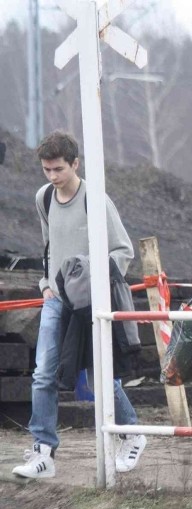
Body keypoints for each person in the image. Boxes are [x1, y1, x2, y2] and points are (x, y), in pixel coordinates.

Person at [12, 130, 146, 479]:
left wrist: (91, 278)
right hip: (57, 299)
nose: (53, 176)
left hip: (90, 302)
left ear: (75, 164)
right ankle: (43, 452)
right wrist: (46, 285)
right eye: (47, 170)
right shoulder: (43, 198)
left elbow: (123, 252)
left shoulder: (96, 200)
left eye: (59, 169)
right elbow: (47, 247)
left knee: (99, 374)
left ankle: (131, 432)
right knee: (43, 372)